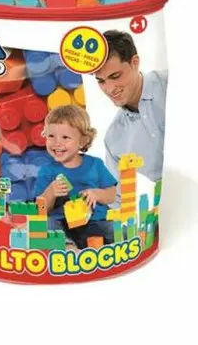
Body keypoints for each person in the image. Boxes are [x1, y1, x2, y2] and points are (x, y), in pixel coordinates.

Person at [33, 105, 117, 249]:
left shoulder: (95, 164)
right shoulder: (46, 171)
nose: (57, 143)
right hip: (61, 224)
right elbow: (40, 210)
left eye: (65, 137)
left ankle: (98, 246)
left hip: (94, 222)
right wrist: (50, 192)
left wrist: (96, 194)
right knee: (44, 225)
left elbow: (112, 195)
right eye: (51, 136)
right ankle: (68, 247)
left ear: (82, 141)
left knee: (115, 228)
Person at [94, 30, 167, 183]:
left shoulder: (176, 83)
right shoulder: (114, 139)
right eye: (101, 81)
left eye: (115, 76)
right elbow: (120, 195)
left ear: (135, 62)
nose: (110, 89)